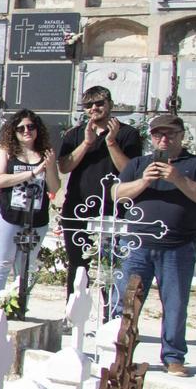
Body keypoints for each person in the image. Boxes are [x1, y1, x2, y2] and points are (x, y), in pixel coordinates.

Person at [112, 113, 196, 377]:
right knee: (126, 302)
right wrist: (144, 181)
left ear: (181, 136)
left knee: (175, 303)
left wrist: (178, 179)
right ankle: (120, 355)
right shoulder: (138, 164)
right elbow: (117, 194)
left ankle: (173, 358)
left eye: (170, 134)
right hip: (138, 244)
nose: (164, 139)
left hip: (178, 245)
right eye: (158, 134)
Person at [56, 86, 142, 293]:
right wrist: (86, 143)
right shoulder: (75, 134)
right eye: (88, 105)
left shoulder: (128, 134)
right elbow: (64, 166)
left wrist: (111, 142)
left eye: (99, 103)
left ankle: (108, 318)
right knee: (78, 266)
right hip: (78, 206)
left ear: (110, 105)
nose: (94, 108)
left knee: (110, 269)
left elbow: (129, 171)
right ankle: (73, 315)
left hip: (113, 209)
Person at [0, 108, 61, 308]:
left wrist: (50, 166)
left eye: (31, 126)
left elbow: (54, 187)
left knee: (25, 266)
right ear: (13, 131)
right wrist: (32, 174)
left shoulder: (45, 153)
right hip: (8, 215)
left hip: (36, 217)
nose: (26, 131)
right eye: (20, 128)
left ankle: (19, 305)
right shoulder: (5, 151)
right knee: (3, 262)